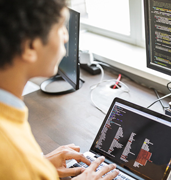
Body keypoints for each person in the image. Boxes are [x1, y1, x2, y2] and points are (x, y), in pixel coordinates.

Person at [0, 0, 120, 179]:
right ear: (30, 46)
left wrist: (38, 165)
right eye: (60, 28)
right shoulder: (10, 149)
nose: (66, 37)